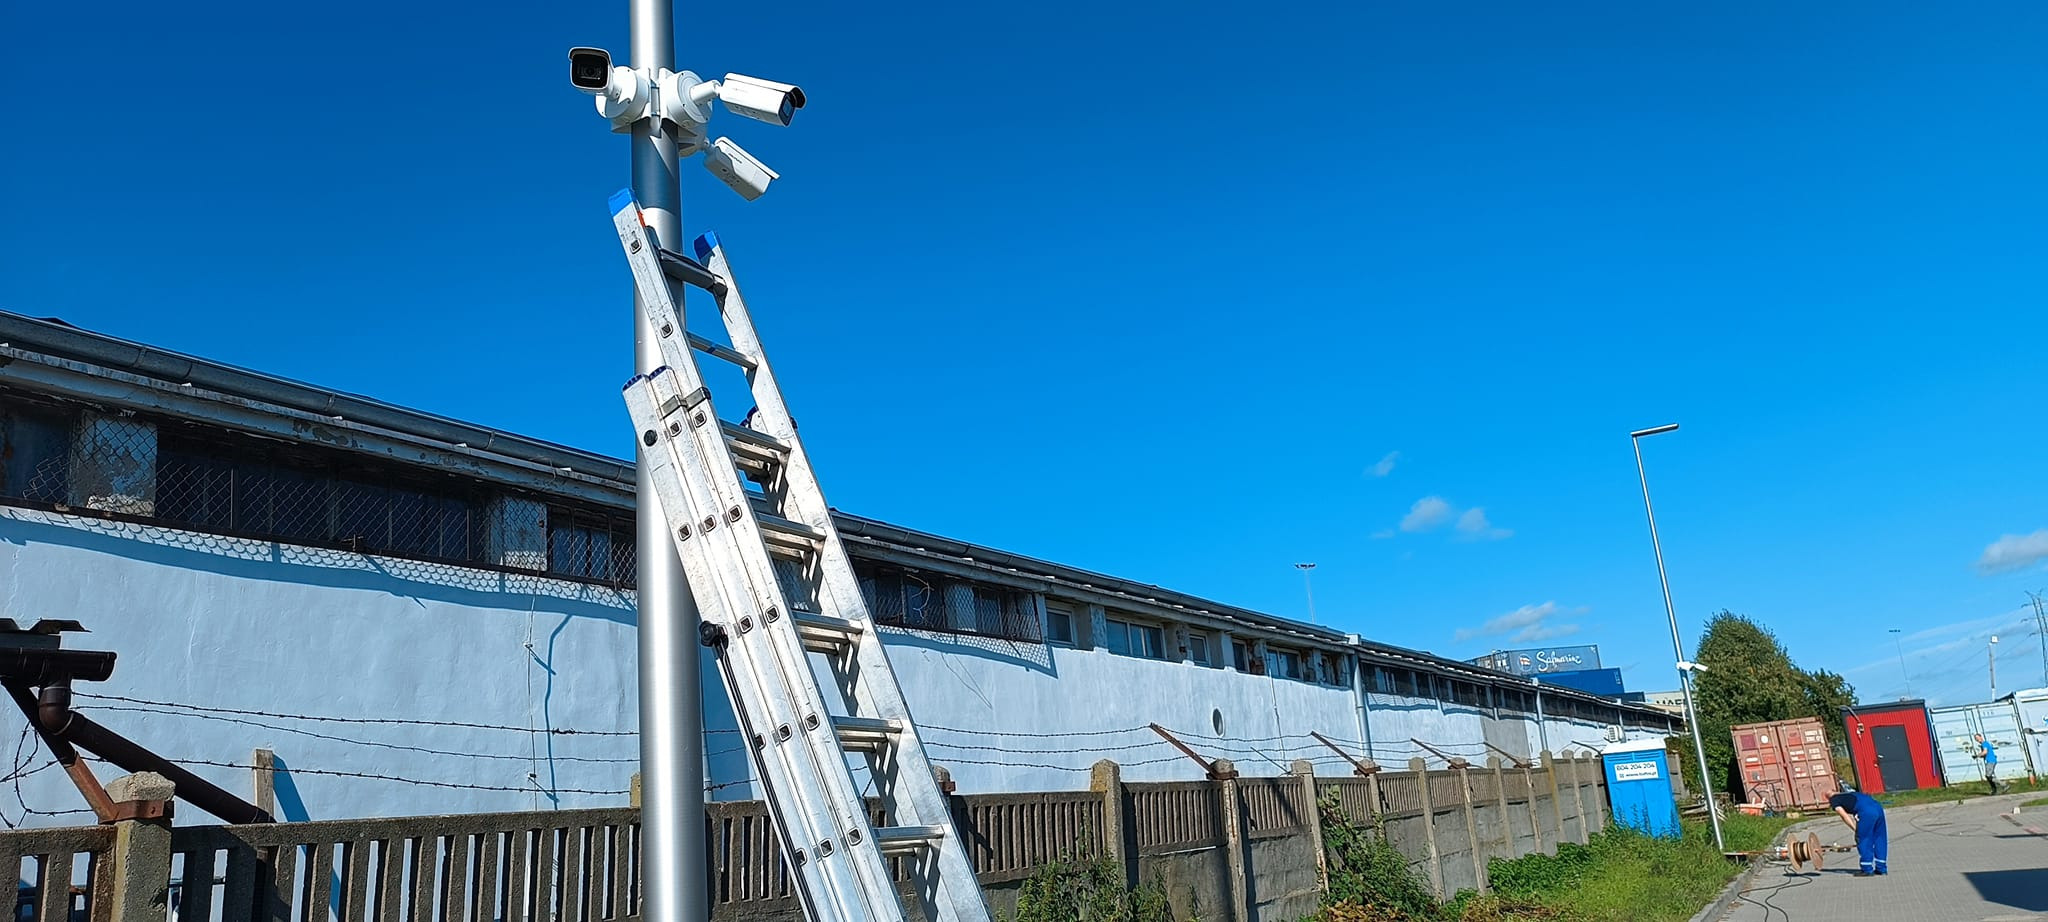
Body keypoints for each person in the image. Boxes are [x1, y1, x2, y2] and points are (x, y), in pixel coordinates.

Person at [1830, 790, 1888, 876]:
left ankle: (1867, 869)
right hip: (1878, 807)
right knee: (1880, 837)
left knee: (1864, 839)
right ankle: (1881, 868)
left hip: (1867, 811)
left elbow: (1844, 815)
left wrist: (1856, 829)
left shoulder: (1834, 800)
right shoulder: (1852, 794)